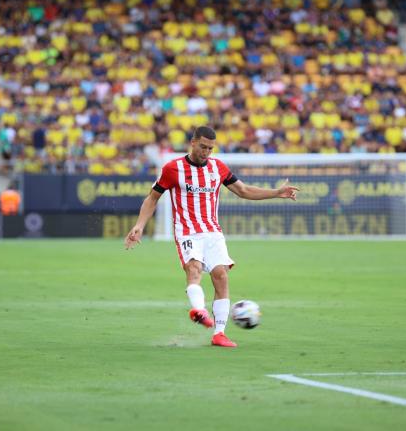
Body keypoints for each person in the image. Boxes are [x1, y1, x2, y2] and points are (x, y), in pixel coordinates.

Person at [124, 126, 299, 348]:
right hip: (187, 230)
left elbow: (243, 190)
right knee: (194, 267)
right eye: (203, 146)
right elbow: (152, 199)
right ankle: (198, 310)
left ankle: (219, 334)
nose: (207, 152)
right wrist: (139, 225)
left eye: (210, 148)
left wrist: (276, 193)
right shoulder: (172, 168)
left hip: (213, 231)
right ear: (193, 143)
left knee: (221, 276)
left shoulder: (218, 168)